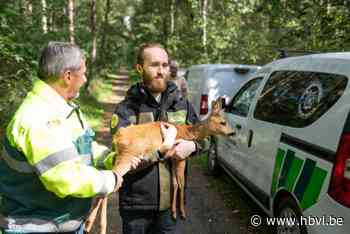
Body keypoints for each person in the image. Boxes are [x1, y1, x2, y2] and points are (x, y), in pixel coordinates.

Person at [0, 42, 177, 234]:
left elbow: (84, 147)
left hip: (63, 224)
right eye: (83, 73)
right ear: (68, 76)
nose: (85, 79)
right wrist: (110, 178)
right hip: (34, 227)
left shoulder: (63, 109)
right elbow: (65, 178)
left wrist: (111, 159)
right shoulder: (39, 118)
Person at [111, 43, 201, 234]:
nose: (161, 71)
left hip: (170, 207)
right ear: (140, 68)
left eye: (165, 65)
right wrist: (161, 151)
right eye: (154, 65)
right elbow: (120, 161)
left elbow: (205, 136)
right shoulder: (127, 110)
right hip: (136, 208)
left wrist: (193, 146)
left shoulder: (181, 104)